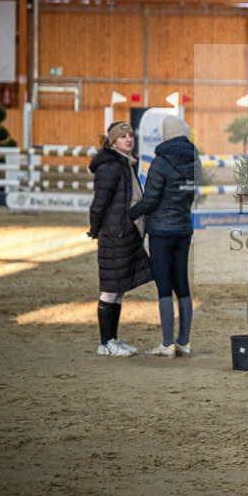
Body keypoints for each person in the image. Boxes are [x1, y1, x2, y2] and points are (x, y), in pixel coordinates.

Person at [128, 115, 202, 357]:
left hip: (160, 231)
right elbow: (191, 195)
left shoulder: (160, 162)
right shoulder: (195, 162)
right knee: (182, 284)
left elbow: (150, 200)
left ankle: (167, 343)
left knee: (164, 287)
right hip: (183, 228)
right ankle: (184, 342)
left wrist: (130, 214)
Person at [88, 121, 152, 356]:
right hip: (114, 235)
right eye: (123, 137)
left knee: (119, 289)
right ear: (113, 141)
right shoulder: (110, 168)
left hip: (126, 233)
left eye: (131, 136)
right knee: (110, 290)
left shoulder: (126, 164)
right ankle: (105, 343)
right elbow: (99, 204)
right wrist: (95, 230)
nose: (129, 139)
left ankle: (113, 338)